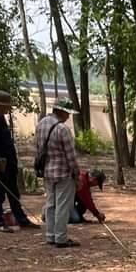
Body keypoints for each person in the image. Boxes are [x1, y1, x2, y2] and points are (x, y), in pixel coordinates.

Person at [0, 91, 36, 233]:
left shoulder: (0, 118)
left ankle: (21, 219)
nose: (8, 109)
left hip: (9, 163)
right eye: (6, 106)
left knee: (14, 193)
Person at [35, 98, 80, 248]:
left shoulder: (41, 124)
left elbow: (38, 149)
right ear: (61, 111)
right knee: (62, 206)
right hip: (63, 173)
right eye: (67, 113)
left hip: (47, 172)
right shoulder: (63, 129)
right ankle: (61, 237)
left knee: (50, 204)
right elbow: (71, 156)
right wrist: (76, 174)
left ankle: (50, 235)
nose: (68, 116)